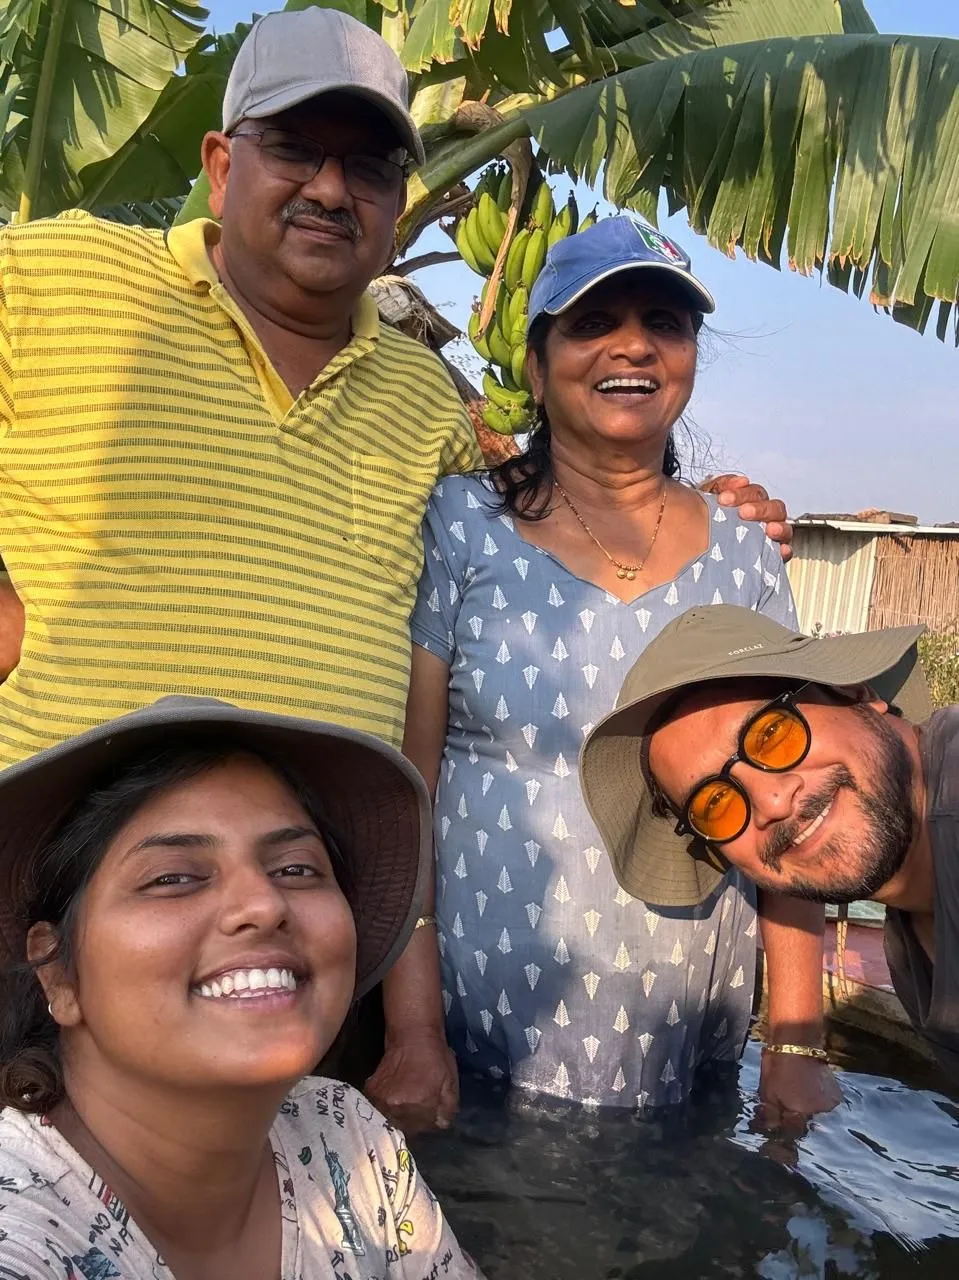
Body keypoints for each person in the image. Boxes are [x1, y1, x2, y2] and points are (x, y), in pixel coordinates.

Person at [0, 7, 793, 1124]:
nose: (331, 186)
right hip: (77, 901)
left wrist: (723, 509)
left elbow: (562, 506)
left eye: (367, 165)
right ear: (221, 163)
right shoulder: (60, 275)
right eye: (294, 149)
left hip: (321, 921)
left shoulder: (421, 398)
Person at [367, 216, 834, 1123]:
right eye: (590, 322)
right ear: (537, 369)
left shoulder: (745, 559)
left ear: (691, 356)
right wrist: (412, 1031)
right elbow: (409, 792)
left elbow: (788, 805)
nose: (633, 345)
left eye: (664, 321)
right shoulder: (461, 527)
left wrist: (795, 1039)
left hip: (685, 1032)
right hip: (480, 1034)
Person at [0, 695, 480, 1278]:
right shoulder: (19, 1235)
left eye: (296, 869)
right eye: (173, 878)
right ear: (58, 973)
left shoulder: (344, 1131)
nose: (263, 904)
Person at [579, 604, 956, 1080]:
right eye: (716, 803)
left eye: (772, 733)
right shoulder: (914, 927)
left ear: (857, 691)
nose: (772, 802)